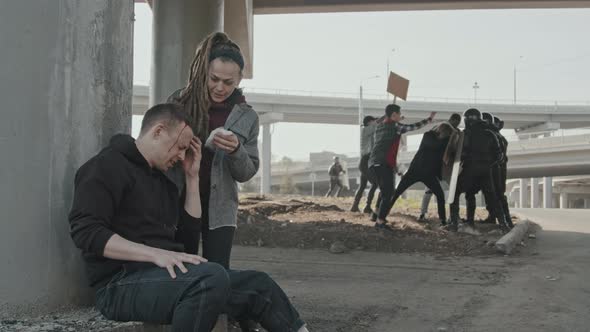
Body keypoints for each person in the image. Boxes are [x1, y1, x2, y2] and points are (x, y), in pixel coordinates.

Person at [68, 104, 308, 332]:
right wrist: (155, 254)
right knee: (209, 278)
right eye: (180, 147)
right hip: (120, 285)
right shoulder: (106, 166)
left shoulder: (165, 181)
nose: (183, 156)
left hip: (168, 279)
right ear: (158, 131)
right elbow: (86, 231)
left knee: (258, 284)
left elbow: (187, 246)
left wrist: (192, 179)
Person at [167, 32, 259, 270]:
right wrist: (200, 143)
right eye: (214, 78)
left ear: (239, 79)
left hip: (221, 207)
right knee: (179, 267)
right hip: (179, 199)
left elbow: (247, 172)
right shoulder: (180, 102)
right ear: (204, 73)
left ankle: (213, 307)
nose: (220, 87)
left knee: (217, 271)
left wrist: (236, 150)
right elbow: (162, 151)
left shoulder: (247, 117)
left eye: (228, 82)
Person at [368, 104, 436, 230]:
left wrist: (397, 119)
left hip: (372, 164)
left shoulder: (380, 126)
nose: (400, 115)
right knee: (388, 193)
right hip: (384, 164)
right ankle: (380, 222)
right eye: (398, 114)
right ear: (394, 115)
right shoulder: (396, 126)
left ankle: (375, 214)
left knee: (384, 191)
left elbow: (382, 120)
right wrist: (429, 119)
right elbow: (414, 127)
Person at [448, 108, 510, 232]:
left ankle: (456, 224)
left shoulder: (464, 134)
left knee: (456, 194)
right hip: (486, 171)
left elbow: (459, 154)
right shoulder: (490, 134)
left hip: (469, 170)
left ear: (467, 120)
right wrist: (488, 165)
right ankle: (504, 225)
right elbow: (499, 156)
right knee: (493, 197)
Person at [388, 122, 458, 226]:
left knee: (440, 195)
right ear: (444, 131)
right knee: (397, 192)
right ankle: (383, 213)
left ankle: (443, 221)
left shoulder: (444, 141)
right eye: (448, 134)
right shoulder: (428, 135)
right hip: (415, 170)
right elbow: (434, 145)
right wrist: (449, 139)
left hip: (429, 174)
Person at [418, 113, 462, 221]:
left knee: (450, 191)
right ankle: (423, 214)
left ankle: (453, 215)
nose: (455, 125)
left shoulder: (457, 132)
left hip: (447, 166)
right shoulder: (440, 127)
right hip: (436, 164)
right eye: (455, 122)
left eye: (457, 123)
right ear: (451, 120)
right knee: (430, 190)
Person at [351, 116, 378, 213]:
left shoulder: (370, 131)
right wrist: (386, 116)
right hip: (365, 161)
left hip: (365, 162)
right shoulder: (365, 130)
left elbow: (378, 126)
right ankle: (367, 206)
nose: (375, 122)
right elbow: (377, 123)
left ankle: (355, 206)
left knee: (362, 185)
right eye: (373, 121)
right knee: (375, 183)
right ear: (369, 122)